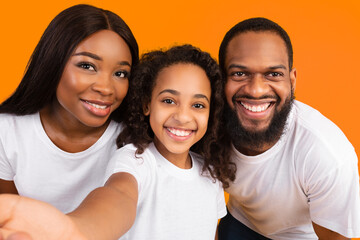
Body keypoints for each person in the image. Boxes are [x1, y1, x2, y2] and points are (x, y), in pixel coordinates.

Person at [0, 44, 236, 240]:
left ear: (210, 113)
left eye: (198, 105)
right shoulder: (136, 159)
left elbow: (209, 231)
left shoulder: (211, 172)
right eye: (168, 100)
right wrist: (77, 229)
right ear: (146, 104)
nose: (183, 116)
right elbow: (118, 196)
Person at [217, 17, 360, 240]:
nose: (256, 90)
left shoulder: (326, 154)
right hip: (242, 221)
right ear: (220, 80)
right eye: (240, 73)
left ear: (292, 81)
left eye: (273, 74)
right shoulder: (202, 126)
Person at [0, 4, 139, 213]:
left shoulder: (134, 139)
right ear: (53, 63)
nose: (106, 88)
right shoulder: (7, 131)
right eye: (87, 66)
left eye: (120, 73)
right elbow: (8, 220)